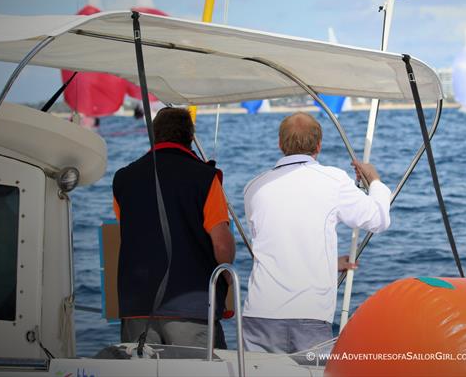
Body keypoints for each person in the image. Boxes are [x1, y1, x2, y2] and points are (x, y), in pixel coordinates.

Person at [242, 112, 391, 354]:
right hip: (308, 314)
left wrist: (329, 264)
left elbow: (277, 244)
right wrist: (374, 180)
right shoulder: (333, 181)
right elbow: (378, 219)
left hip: (259, 312)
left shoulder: (254, 187)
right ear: (319, 145)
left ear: (280, 144)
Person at [112, 107, 235, 348]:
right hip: (192, 308)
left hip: (137, 306)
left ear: (154, 135)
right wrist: (228, 276)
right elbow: (221, 243)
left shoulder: (123, 179)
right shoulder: (206, 178)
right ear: (190, 136)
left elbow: (129, 230)